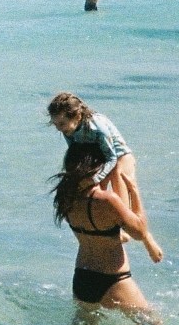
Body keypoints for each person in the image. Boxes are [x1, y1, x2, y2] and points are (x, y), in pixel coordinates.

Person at [52, 142, 159, 325]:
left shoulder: (65, 198)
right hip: (113, 279)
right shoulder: (107, 200)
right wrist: (134, 191)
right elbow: (139, 232)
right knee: (154, 323)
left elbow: (100, 233)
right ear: (98, 168)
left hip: (82, 278)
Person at [48, 92, 163, 263]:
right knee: (94, 197)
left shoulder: (97, 127)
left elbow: (112, 158)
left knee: (119, 192)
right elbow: (74, 154)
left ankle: (145, 237)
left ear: (77, 116)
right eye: (55, 124)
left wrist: (95, 179)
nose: (59, 128)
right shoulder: (68, 130)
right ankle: (112, 230)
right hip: (97, 160)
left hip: (119, 156)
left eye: (62, 123)